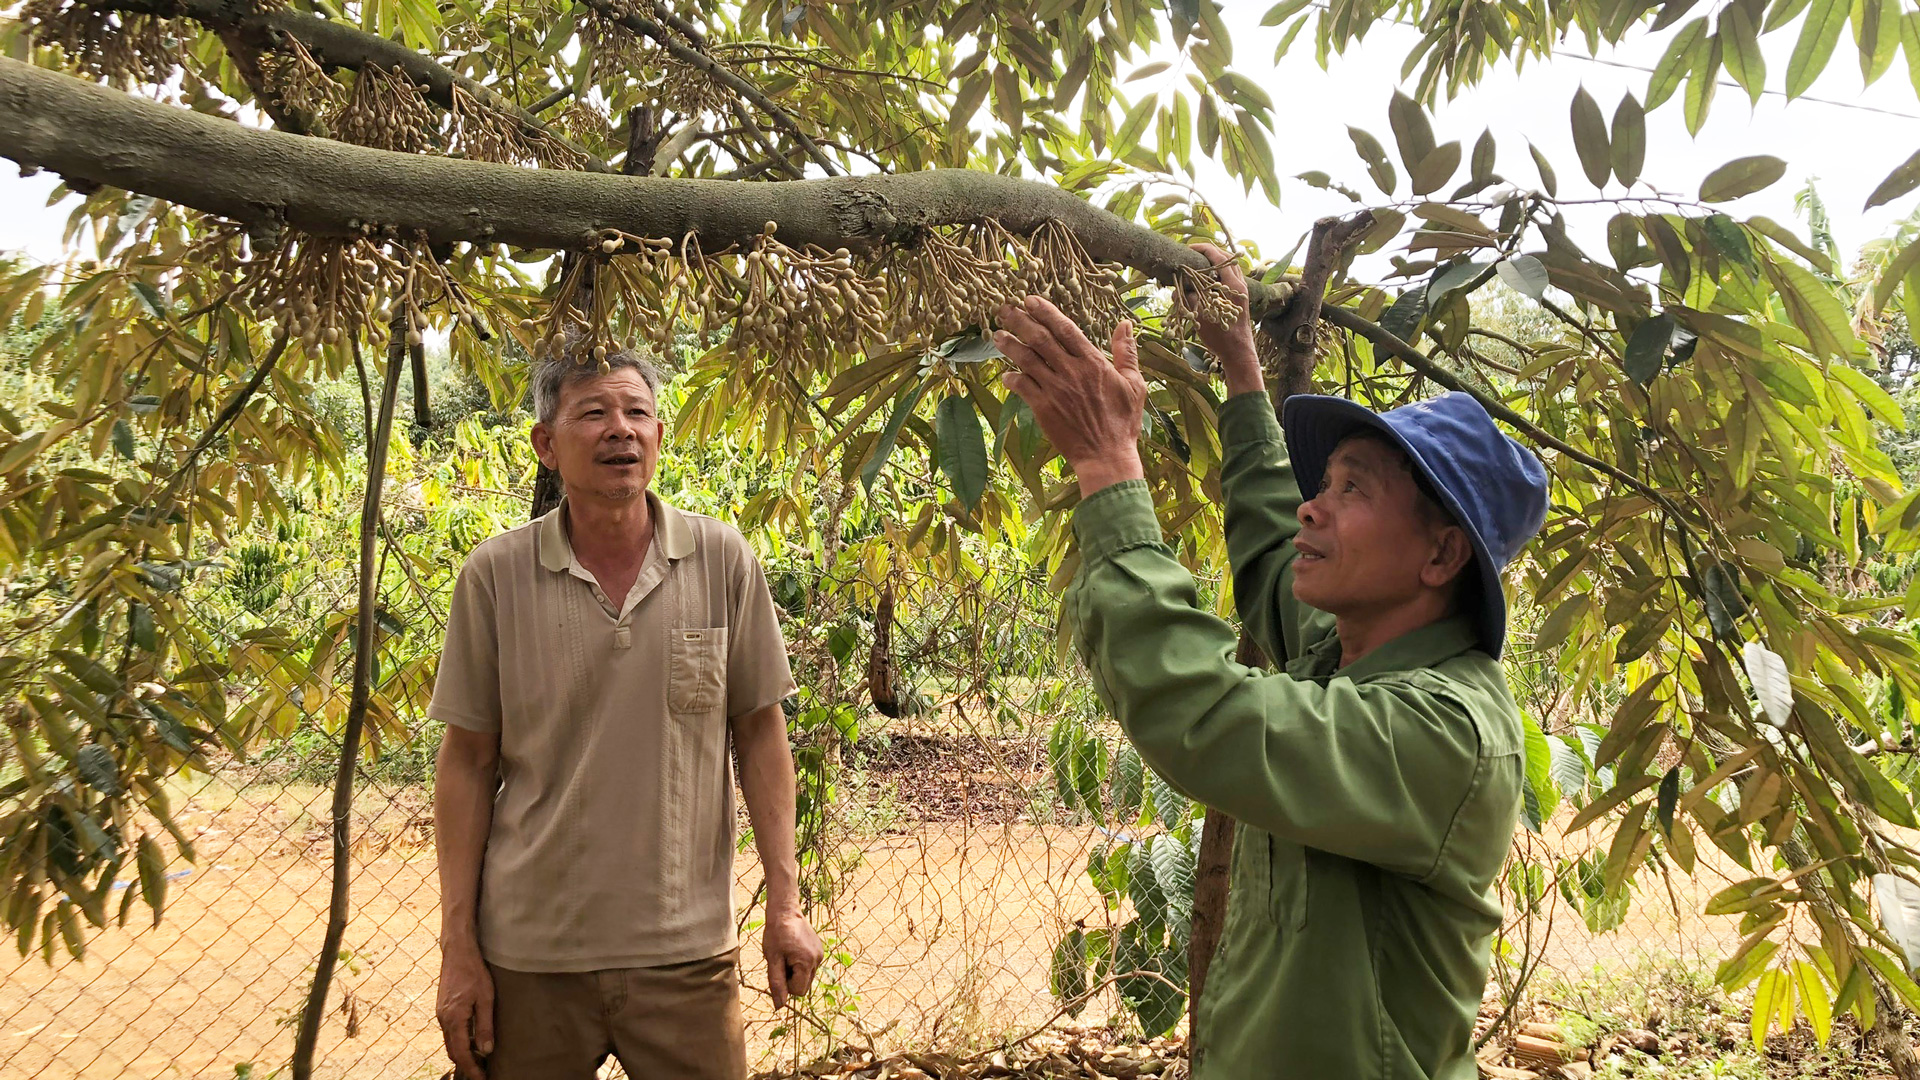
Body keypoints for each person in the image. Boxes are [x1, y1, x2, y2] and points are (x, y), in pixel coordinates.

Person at [992, 245, 1549, 1079]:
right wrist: (1242, 368)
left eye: (1353, 489)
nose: (1313, 507)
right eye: (1324, 481)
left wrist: (1108, 464)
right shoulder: (1347, 653)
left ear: (1439, 556)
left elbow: (1204, 712)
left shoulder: (1446, 731)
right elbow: (1264, 539)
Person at [429, 342, 823, 1080]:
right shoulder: (496, 575)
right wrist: (459, 948)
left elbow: (760, 732)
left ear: (659, 436)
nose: (621, 429)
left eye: (637, 412)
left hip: (686, 955)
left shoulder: (721, 559)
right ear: (546, 444)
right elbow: (468, 761)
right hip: (532, 957)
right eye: (594, 413)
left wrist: (785, 903)